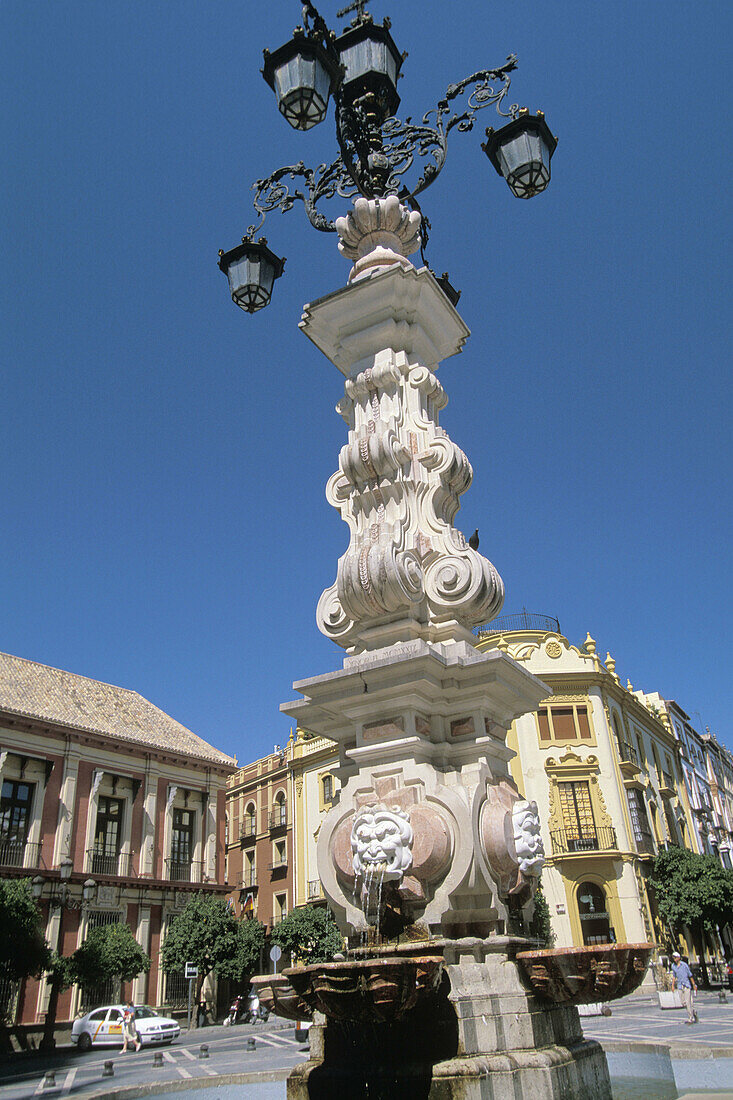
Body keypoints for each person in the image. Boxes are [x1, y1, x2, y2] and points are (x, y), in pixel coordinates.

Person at [671, 951, 698, 1024]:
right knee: (683, 1002)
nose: (674, 959)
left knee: (688, 1002)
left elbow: (690, 975)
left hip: (686, 985)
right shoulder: (673, 966)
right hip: (679, 985)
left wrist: (694, 984)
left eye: (675, 957)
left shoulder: (684, 965)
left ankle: (691, 1017)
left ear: (679, 958)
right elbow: (674, 976)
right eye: (673, 958)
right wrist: (672, 985)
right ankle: (693, 1011)